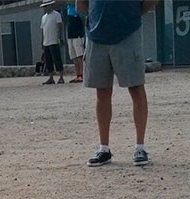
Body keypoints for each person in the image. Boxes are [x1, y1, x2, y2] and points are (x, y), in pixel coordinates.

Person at [77, 0, 155, 167]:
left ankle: (140, 147)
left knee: (136, 87)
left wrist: (130, 16)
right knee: (102, 93)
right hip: (96, 36)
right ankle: (104, 149)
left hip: (127, 32)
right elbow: (80, 5)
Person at [40, 1, 64, 85]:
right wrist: (42, 42)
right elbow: (43, 30)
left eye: (46, 6)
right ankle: (51, 77)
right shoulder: (43, 17)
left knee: (57, 59)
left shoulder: (57, 15)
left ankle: (61, 76)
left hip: (54, 41)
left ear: (50, 5)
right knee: (48, 60)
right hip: (46, 41)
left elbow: (60, 27)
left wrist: (59, 38)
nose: (45, 8)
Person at [65, 1, 85, 83]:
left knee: (79, 55)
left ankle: (83, 75)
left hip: (77, 34)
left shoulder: (78, 8)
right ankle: (78, 74)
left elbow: (83, 19)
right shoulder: (69, 8)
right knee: (74, 56)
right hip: (70, 34)